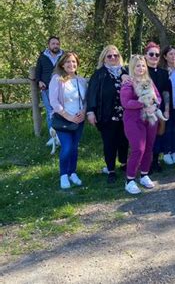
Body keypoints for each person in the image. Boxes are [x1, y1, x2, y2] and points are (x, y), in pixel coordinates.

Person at [86, 45, 129, 184]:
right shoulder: (99, 74)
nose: (113, 58)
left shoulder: (126, 72)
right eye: (109, 56)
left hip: (125, 115)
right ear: (104, 57)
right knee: (109, 143)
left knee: (124, 141)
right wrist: (91, 112)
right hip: (106, 115)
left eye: (115, 55)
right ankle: (111, 169)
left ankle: (123, 163)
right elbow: (91, 94)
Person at [120, 55, 161, 194]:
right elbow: (126, 103)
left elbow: (158, 97)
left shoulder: (149, 81)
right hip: (133, 120)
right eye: (138, 65)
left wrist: (154, 106)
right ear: (132, 67)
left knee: (149, 147)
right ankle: (129, 180)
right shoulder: (128, 83)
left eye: (143, 65)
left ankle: (144, 175)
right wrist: (143, 103)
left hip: (150, 118)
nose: (141, 68)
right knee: (138, 148)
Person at [49, 52, 87, 189]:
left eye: (74, 62)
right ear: (62, 65)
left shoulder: (81, 80)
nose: (71, 64)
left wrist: (83, 112)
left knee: (74, 147)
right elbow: (53, 101)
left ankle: (73, 173)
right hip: (63, 119)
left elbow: (85, 100)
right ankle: (63, 175)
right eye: (68, 62)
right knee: (66, 147)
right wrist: (68, 116)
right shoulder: (57, 79)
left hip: (79, 120)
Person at [144, 41, 171, 171]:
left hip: (159, 110)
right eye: (151, 54)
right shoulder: (140, 72)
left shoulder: (163, 73)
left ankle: (155, 161)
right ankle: (145, 163)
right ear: (145, 55)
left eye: (157, 54)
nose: (154, 56)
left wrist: (166, 109)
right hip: (143, 110)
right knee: (146, 137)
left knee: (159, 136)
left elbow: (166, 91)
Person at [35, 36, 64, 145]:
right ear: (49, 45)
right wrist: (39, 81)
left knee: (62, 110)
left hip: (62, 88)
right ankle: (53, 137)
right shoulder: (42, 57)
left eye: (57, 44)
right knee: (50, 112)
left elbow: (70, 69)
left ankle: (62, 136)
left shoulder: (64, 56)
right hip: (46, 88)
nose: (55, 46)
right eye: (53, 44)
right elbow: (38, 71)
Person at [159, 45, 175, 165]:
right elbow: (163, 90)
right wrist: (166, 108)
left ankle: (174, 151)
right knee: (167, 128)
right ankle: (166, 152)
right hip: (167, 105)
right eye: (170, 54)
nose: (174, 57)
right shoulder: (163, 71)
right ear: (165, 56)